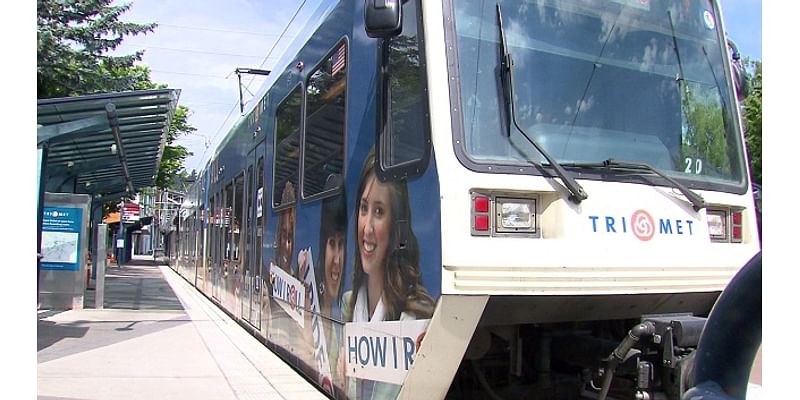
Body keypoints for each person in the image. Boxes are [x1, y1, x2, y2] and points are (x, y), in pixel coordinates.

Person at [343, 149, 435, 399]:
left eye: (379, 212)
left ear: (397, 225)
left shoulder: (415, 317)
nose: (367, 227)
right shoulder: (346, 306)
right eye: (364, 208)